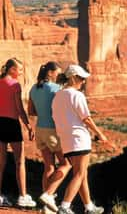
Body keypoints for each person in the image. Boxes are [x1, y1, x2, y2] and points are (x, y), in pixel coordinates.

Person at [52, 64, 115, 214]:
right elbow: (86, 118)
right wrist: (100, 134)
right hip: (79, 138)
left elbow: (57, 117)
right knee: (80, 174)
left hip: (66, 139)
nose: (84, 81)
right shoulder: (77, 95)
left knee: (81, 174)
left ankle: (89, 207)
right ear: (73, 78)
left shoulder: (58, 96)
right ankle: (65, 206)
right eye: (81, 78)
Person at [28, 61, 71, 214]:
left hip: (40, 130)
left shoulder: (34, 88)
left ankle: (47, 208)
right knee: (67, 164)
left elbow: (31, 111)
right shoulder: (57, 89)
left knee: (49, 167)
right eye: (58, 73)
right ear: (50, 73)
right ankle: (49, 195)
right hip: (53, 130)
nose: (59, 76)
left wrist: (43, 110)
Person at [0, 58, 36, 208]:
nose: (21, 73)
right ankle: (23, 196)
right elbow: (19, 109)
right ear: (11, 69)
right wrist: (28, 126)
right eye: (19, 70)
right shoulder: (15, 85)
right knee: (19, 161)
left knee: (0, 162)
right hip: (11, 124)